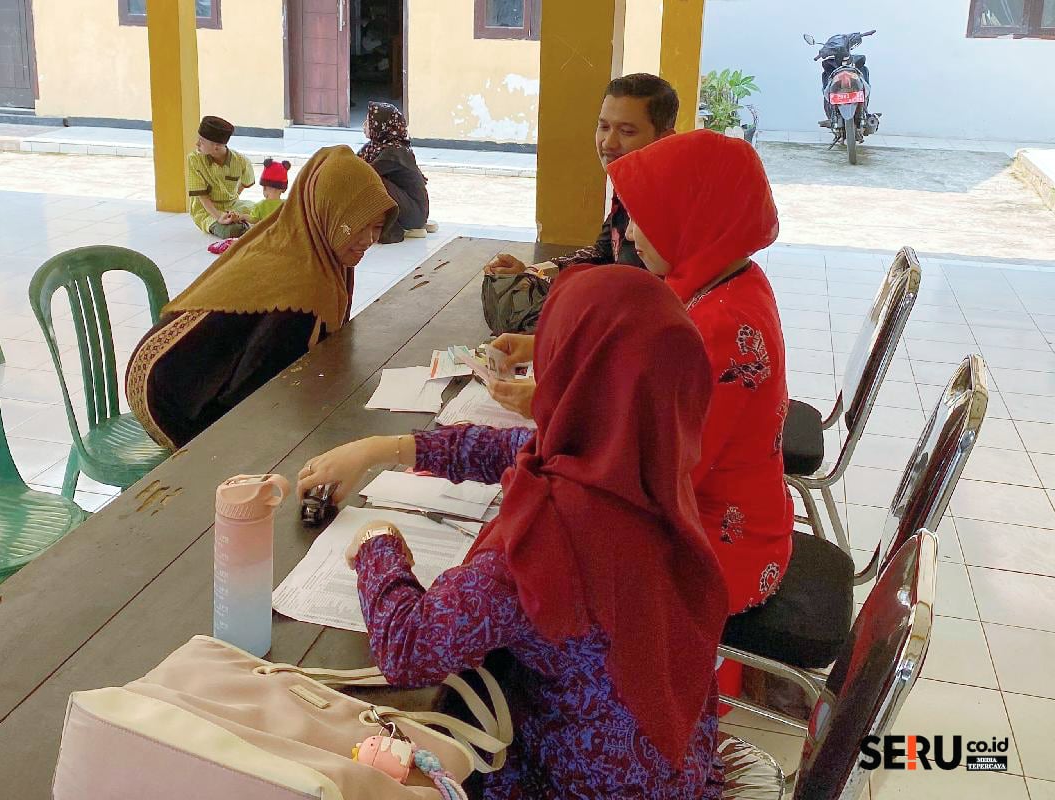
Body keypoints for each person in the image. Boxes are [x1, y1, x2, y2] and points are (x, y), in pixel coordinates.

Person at [304, 131, 791, 615]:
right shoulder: (728, 283)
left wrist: (550, 404)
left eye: (644, 217)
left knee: (528, 574)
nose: (631, 235)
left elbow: (629, 469)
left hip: (709, 553)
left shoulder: (719, 332)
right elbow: (617, 421)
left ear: (691, 216)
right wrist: (546, 353)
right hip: (703, 515)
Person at [329, 268, 729, 798]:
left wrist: (376, 544)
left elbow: (407, 647)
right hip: (674, 762)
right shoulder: (650, 464)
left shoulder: (542, 547)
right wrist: (390, 449)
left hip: (577, 785)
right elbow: (520, 448)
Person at [126, 146, 397, 450]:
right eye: (357, 226)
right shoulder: (300, 289)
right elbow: (256, 395)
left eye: (377, 227)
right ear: (325, 213)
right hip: (169, 398)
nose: (368, 240)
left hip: (179, 371)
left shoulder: (303, 238)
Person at [482, 73, 678, 279]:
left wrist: (539, 282)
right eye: (604, 127)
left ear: (665, 140)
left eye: (627, 131)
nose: (608, 143)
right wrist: (534, 272)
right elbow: (602, 254)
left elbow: (635, 288)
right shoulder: (629, 188)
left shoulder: (673, 206)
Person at [358, 102, 430, 244]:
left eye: (369, 121)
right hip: (405, 205)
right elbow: (355, 165)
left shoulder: (394, 151)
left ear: (382, 125)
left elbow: (362, 173)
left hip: (414, 214)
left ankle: (392, 229)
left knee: (371, 181)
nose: (364, 125)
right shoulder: (375, 146)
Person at [188, 116, 257, 238]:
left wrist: (234, 199)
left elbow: (246, 182)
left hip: (234, 206)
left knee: (265, 212)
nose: (197, 144)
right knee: (230, 231)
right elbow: (202, 196)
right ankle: (244, 226)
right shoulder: (194, 160)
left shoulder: (241, 161)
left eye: (201, 141)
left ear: (216, 146)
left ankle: (243, 223)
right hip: (207, 212)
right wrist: (219, 216)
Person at [249, 158, 292, 223]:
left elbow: (253, 220)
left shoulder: (259, 206)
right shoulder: (286, 205)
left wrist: (243, 216)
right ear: (283, 189)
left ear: (264, 188)